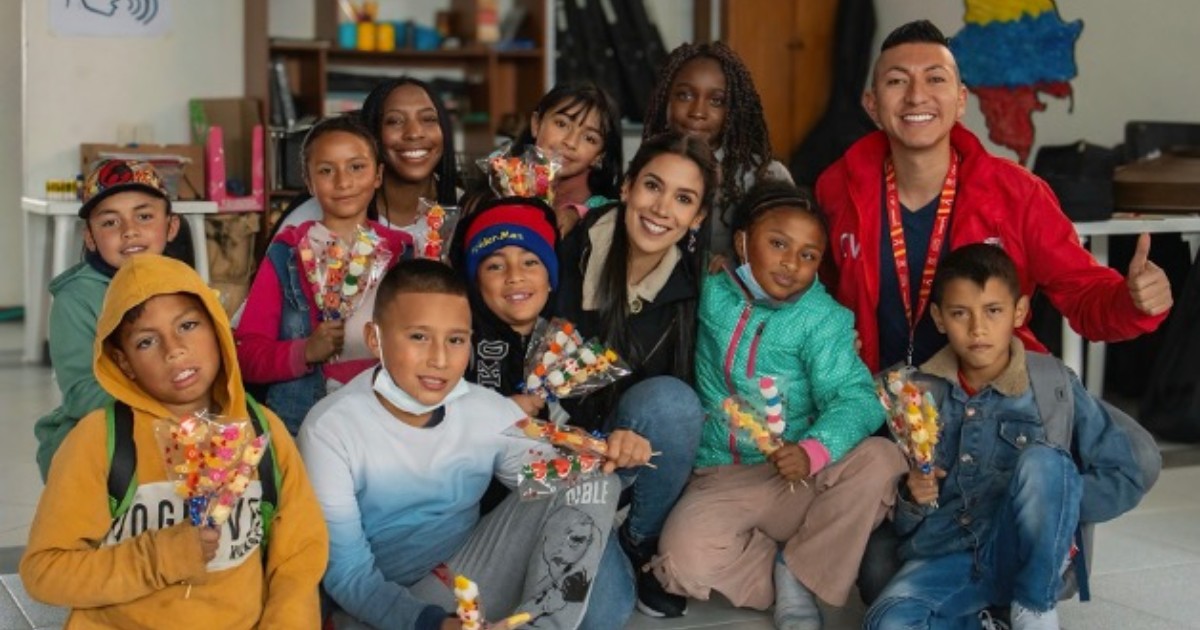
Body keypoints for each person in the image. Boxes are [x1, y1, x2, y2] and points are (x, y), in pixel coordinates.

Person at [815, 19, 1168, 604]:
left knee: (1134, 455)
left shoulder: (1016, 193)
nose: (917, 95)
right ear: (873, 104)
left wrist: (1131, 301)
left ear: (960, 98)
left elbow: (1083, 294)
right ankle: (983, 540)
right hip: (893, 410)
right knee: (879, 580)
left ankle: (1033, 522)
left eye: (936, 79)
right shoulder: (837, 187)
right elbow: (817, 291)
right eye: (898, 82)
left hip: (997, 405)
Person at [297, 259, 622, 630]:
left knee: (592, 479)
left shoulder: (485, 410)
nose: (439, 359)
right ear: (376, 339)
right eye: (418, 337)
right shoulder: (331, 429)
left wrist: (609, 451)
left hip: (464, 574)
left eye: (455, 340)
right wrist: (435, 624)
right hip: (376, 602)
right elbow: (348, 575)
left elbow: (556, 480)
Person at [20, 254, 328, 628]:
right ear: (124, 361)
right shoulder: (98, 441)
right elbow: (44, 571)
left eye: (188, 325)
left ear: (217, 327)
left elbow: (298, 555)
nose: (174, 349)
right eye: (147, 342)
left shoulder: (263, 431)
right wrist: (159, 558)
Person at [652, 180, 906, 630]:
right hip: (723, 476)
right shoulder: (710, 292)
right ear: (742, 242)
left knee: (883, 460)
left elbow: (857, 397)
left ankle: (797, 575)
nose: (791, 264)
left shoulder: (822, 319)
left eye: (809, 255)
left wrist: (813, 451)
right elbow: (646, 239)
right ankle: (801, 564)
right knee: (680, 560)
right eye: (778, 244)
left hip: (800, 477)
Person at [863, 244, 1145, 630]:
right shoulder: (911, 393)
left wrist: (1057, 507)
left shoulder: (1052, 384)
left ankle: (1033, 607)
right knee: (886, 623)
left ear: (1020, 312)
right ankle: (988, 621)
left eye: (993, 311)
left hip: (1024, 554)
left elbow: (1125, 472)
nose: (978, 329)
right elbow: (899, 518)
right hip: (945, 553)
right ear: (939, 318)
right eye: (961, 313)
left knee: (1045, 463)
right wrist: (911, 496)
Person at [554, 130, 717, 618]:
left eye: (683, 198)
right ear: (626, 187)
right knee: (601, 614)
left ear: (698, 218)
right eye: (653, 186)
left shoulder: (694, 288)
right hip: (552, 454)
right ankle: (590, 532)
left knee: (673, 403)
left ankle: (639, 540)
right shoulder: (567, 247)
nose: (662, 207)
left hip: (626, 455)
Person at [236, 114, 413, 433]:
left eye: (356, 167)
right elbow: (246, 356)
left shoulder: (403, 252)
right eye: (326, 170)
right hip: (301, 421)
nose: (343, 182)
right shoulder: (287, 253)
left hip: (387, 420)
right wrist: (304, 351)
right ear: (309, 181)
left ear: (378, 174)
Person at [33, 158, 183, 480]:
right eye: (110, 223)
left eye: (144, 216)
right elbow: (81, 394)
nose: (130, 231)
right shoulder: (75, 301)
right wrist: (161, 397)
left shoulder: (185, 286)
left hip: (179, 418)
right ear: (89, 237)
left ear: (171, 227)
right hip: (103, 428)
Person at [642, 41, 793, 256]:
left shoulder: (764, 176)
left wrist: (731, 267)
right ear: (665, 99)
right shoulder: (646, 167)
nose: (697, 111)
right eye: (684, 95)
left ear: (734, 110)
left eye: (716, 101)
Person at [274, 77, 459, 233]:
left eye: (428, 119)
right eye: (394, 121)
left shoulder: (465, 208)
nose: (414, 133)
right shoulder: (318, 213)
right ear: (372, 133)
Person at [450, 195, 561, 417]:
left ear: (550, 279)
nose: (515, 276)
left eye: (530, 262)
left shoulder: (569, 344)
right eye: (495, 266)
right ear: (477, 284)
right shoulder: (457, 343)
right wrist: (500, 414)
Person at [515, 81, 624, 234]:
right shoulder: (499, 187)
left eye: (589, 138)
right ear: (536, 124)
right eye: (561, 124)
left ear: (599, 156)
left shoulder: (608, 217)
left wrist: (579, 214)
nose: (571, 142)